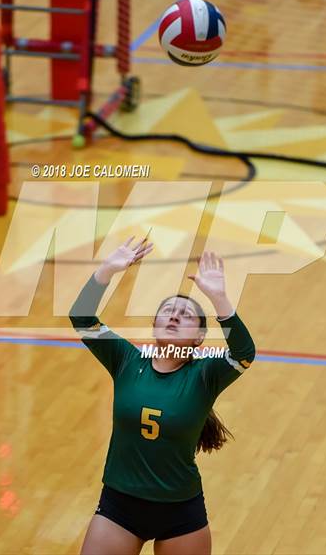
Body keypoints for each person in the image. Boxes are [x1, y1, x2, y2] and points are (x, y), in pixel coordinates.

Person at [69, 236, 255, 555]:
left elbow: (243, 353)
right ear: (154, 324)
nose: (173, 316)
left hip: (181, 513)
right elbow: (82, 318)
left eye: (184, 316)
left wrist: (220, 299)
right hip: (119, 507)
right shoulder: (126, 360)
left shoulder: (204, 375)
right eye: (167, 311)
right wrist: (106, 270)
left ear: (199, 338)